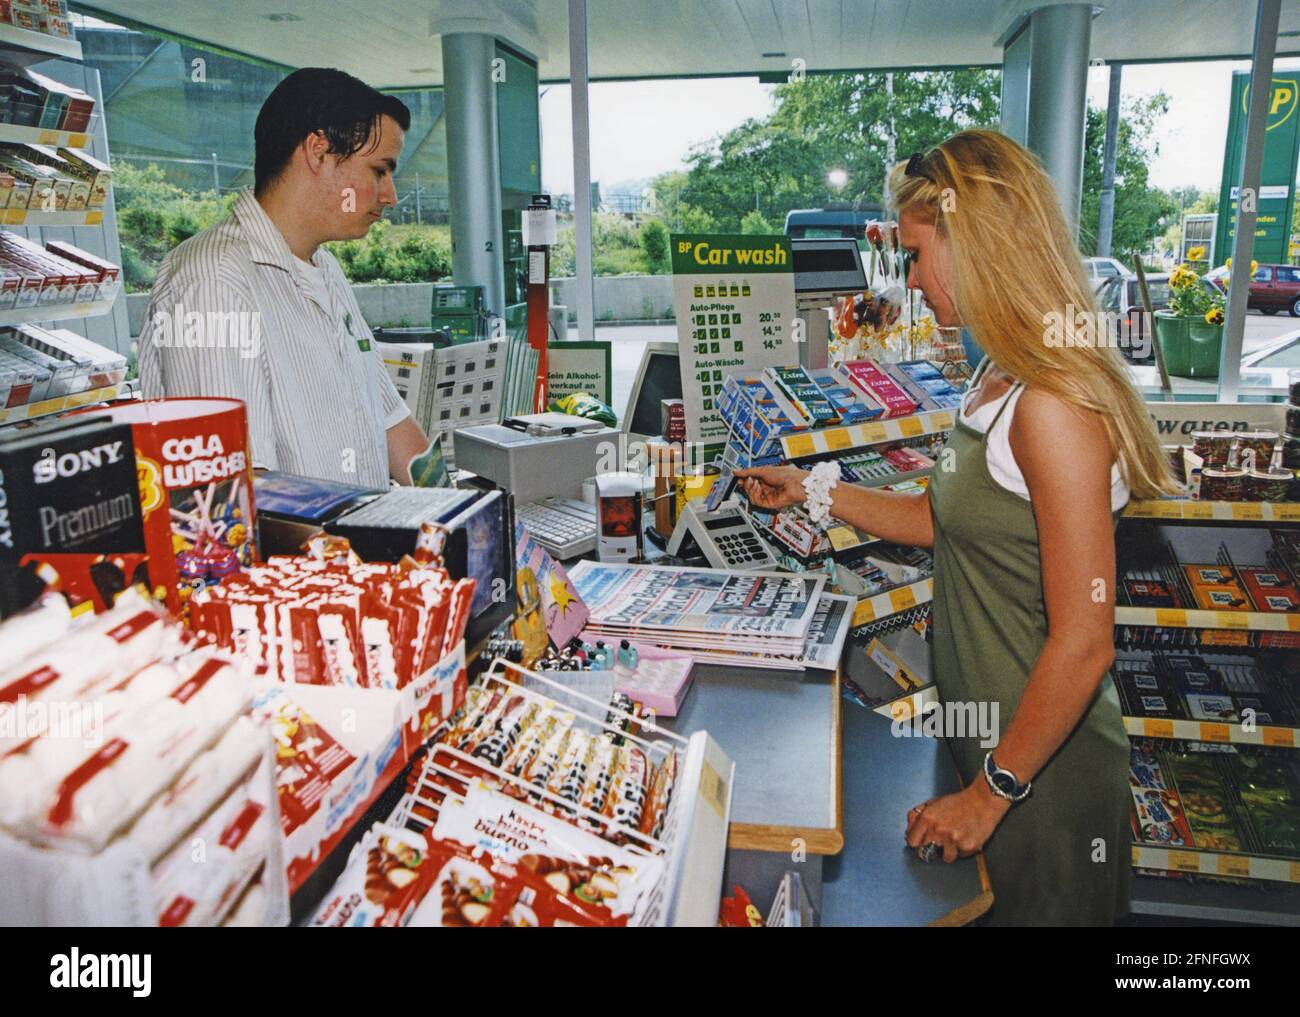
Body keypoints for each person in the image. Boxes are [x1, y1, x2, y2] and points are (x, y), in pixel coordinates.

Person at [737, 130, 1174, 926]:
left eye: (914, 254)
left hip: (1042, 778)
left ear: (971, 240)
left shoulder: (1052, 407)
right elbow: (941, 521)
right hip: (997, 749)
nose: (908, 279)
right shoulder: (993, 377)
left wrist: (990, 793)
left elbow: (1085, 642)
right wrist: (813, 490)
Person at [138, 68, 431, 488]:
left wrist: (470, 519)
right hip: (304, 551)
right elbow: (234, 489)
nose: (390, 195)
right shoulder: (213, 282)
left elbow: (391, 424)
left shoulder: (324, 270)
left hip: (357, 543)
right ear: (318, 150)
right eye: (379, 171)